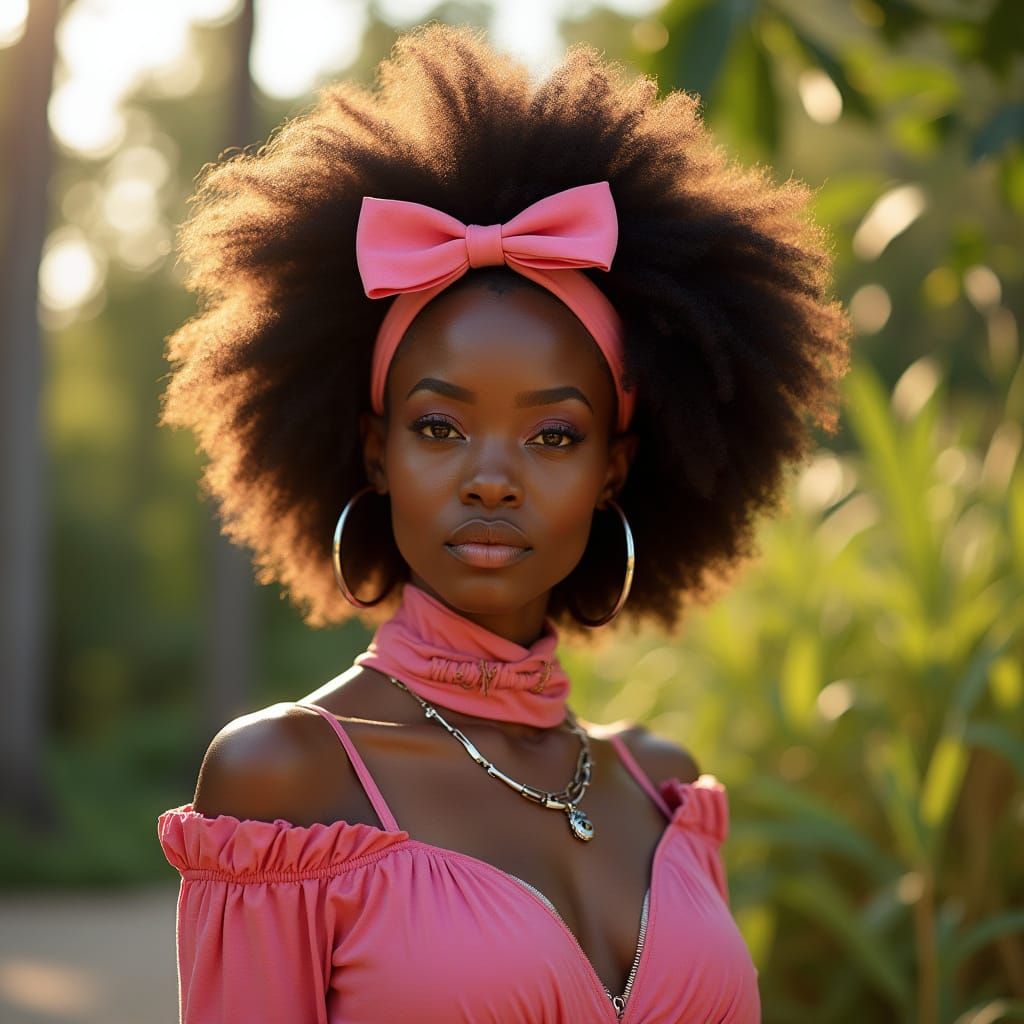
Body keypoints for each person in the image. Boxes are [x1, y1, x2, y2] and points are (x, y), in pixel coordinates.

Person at [156, 23, 849, 1024]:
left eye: (553, 436)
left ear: (613, 469)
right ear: (376, 453)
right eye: (439, 427)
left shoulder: (662, 789)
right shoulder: (287, 782)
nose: (490, 480)